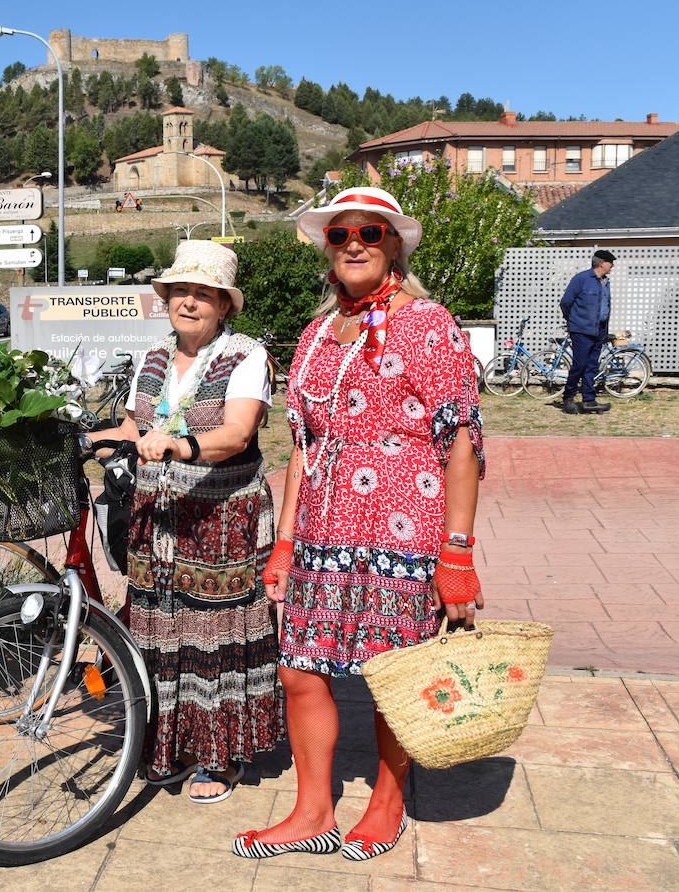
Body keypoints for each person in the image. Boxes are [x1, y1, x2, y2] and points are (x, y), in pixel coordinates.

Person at [233, 187, 485, 861]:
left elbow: (461, 438)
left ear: (394, 243)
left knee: (392, 676)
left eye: (369, 233)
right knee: (299, 671)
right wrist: (284, 541)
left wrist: (457, 554)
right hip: (320, 528)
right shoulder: (317, 333)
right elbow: (304, 448)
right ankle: (312, 811)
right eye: (340, 233)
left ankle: (387, 800)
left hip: (404, 527)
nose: (352, 243)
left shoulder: (429, 322)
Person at [85, 239, 285, 804]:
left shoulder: (246, 356)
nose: (189, 302)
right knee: (159, 629)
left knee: (215, 637)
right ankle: (166, 745)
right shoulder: (151, 359)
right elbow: (133, 429)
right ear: (167, 298)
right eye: (181, 292)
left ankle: (218, 757)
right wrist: (88, 438)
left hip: (221, 516)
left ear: (224, 305)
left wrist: (179, 445)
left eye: (204, 294)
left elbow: (238, 434)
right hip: (158, 518)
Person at [559, 250, 615, 414]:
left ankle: (589, 400)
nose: (612, 266)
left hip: (599, 330)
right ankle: (568, 398)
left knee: (592, 365)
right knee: (580, 364)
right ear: (601, 263)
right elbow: (565, 302)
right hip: (581, 330)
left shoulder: (606, 282)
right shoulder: (581, 279)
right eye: (610, 262)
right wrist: (573, 321)